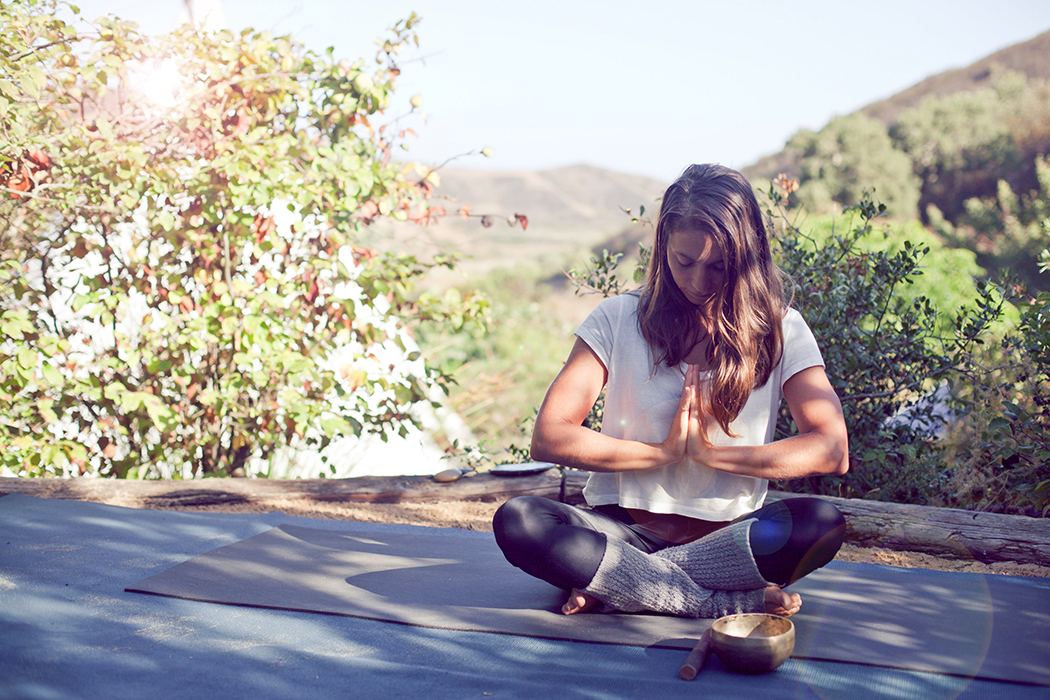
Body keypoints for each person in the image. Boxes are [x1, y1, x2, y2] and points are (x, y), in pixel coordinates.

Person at [492, 163, 849, 619]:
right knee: (520, 521)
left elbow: (832, 448)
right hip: (620, 535)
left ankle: (622, 585)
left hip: (728, 543)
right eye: (684, 262)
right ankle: (713, 601)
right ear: (663, 248)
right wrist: (660, 453)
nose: (698, 283)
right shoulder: (617, 318)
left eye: (718, 267)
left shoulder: (781, 329)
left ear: (747, 257)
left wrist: (709, 455)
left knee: (820, 525)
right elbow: (550, 435)